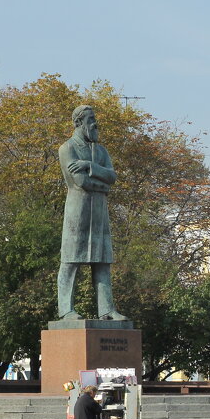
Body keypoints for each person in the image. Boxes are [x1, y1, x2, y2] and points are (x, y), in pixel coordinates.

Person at [57, 105, 125, 321]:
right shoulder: (67, 148)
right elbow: (80, 182)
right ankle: (66, 310)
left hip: (99, 211)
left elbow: (112, 177)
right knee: (70, 260)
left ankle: (107, 310)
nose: (95, 123)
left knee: (102, 260)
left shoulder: (101, 151)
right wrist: (103, 184)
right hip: (78, 211)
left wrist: (89, 165)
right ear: (79, 122)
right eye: (91, 119)